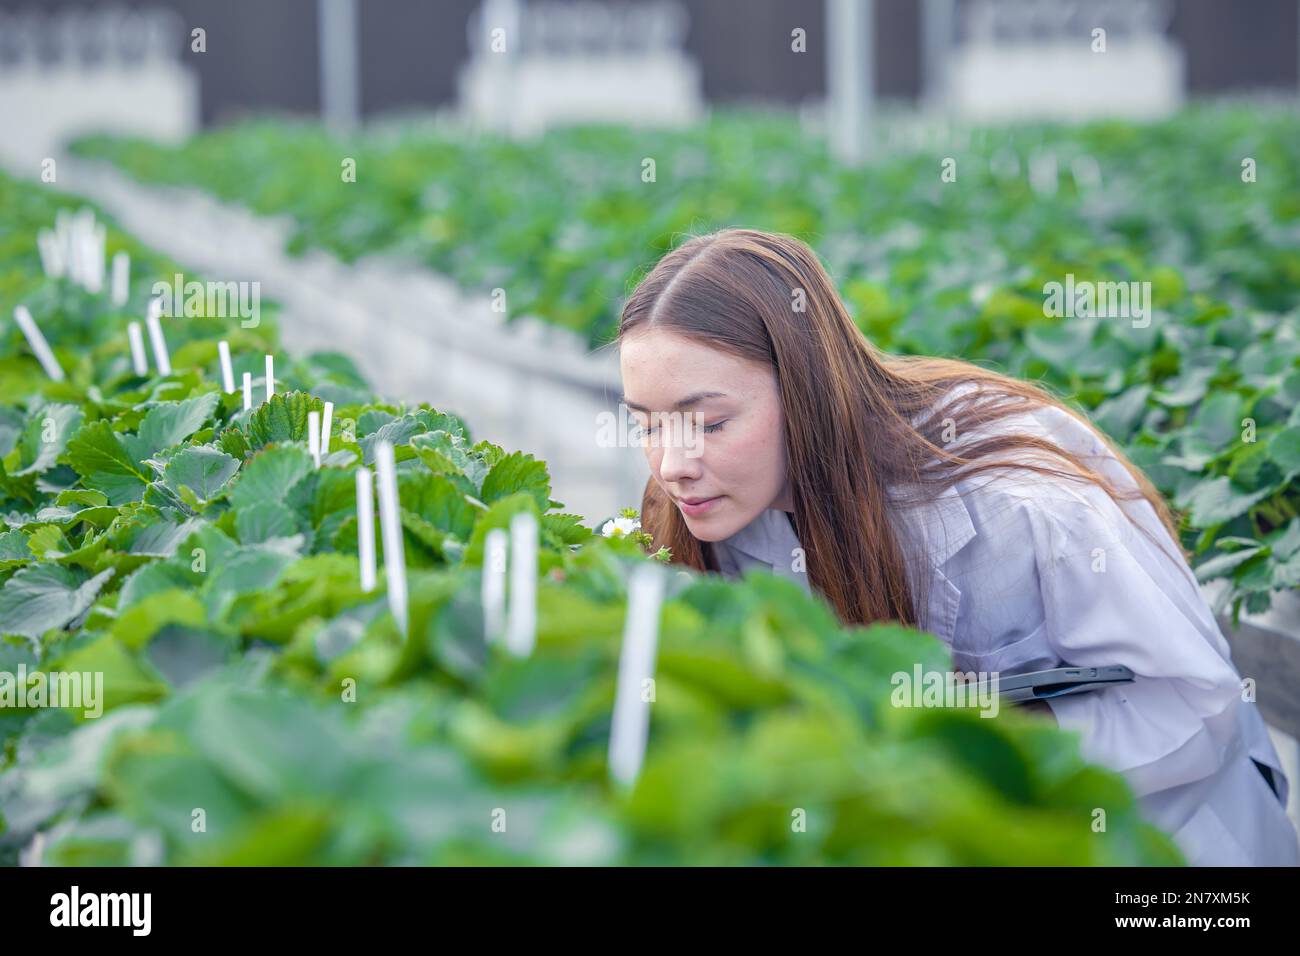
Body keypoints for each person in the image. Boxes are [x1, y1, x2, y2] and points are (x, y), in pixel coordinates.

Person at [616, 227, 1298, 866]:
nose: (671, 463)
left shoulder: (1018, 505)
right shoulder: (716, 511)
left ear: (804, 390)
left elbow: (1189, 703)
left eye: (707, 423)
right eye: (646, 424)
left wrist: (958, 753)